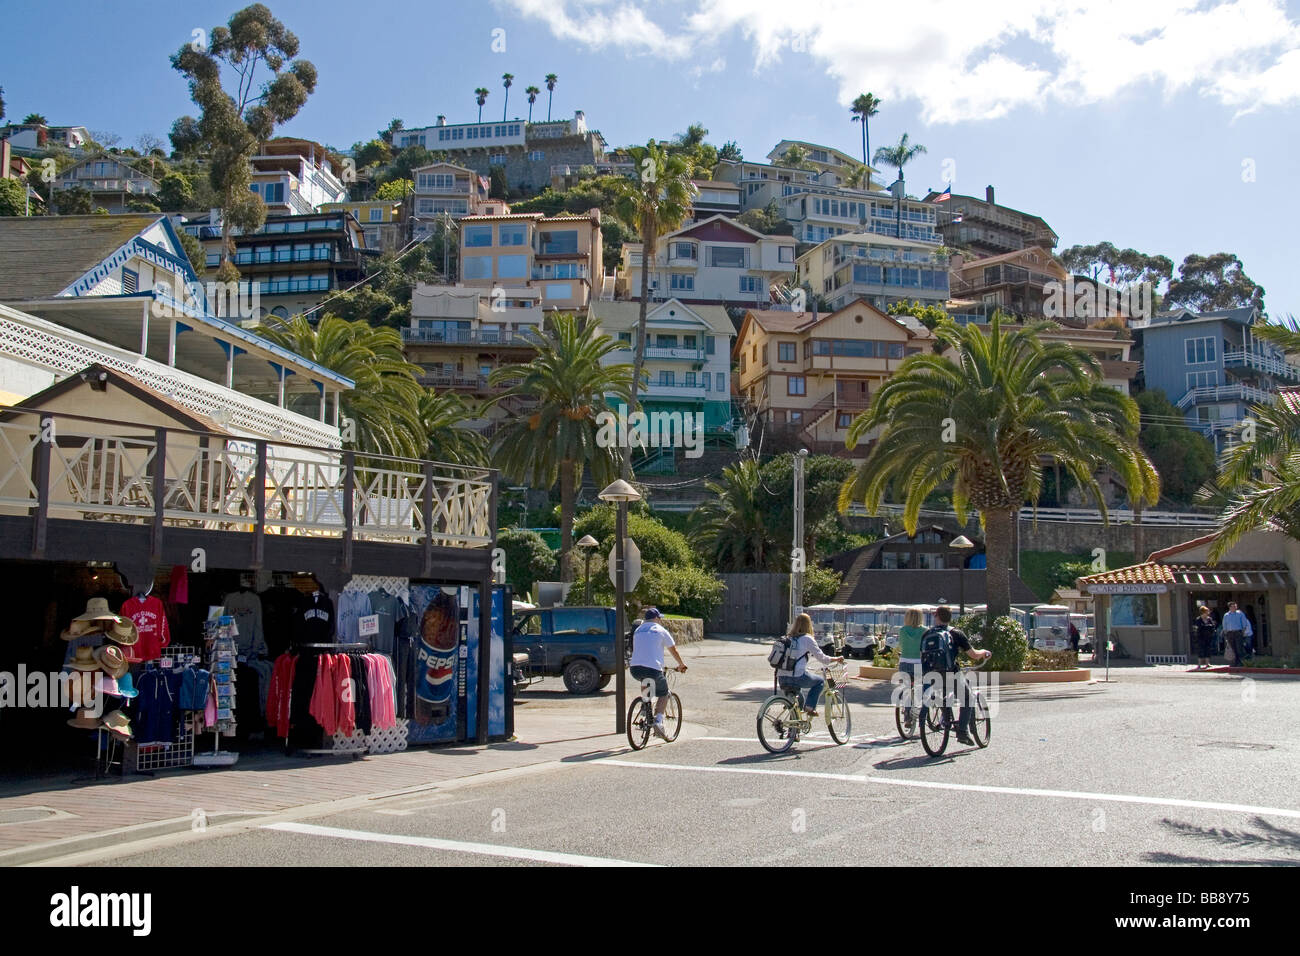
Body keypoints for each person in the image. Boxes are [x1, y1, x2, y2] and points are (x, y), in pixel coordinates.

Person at [923, 606, 991, 746]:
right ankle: (962, 732)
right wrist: (984, 652)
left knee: (942, 694)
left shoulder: (927, 634)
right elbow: (973, 654)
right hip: (951, 673)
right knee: (968, 697)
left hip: (931, 674)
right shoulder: (956, 633)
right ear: (950, 617)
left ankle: (945, 716)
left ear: (936, 616)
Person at [628, 608, 686, 738]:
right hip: (653, 668)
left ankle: (645, 705)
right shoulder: (660, 630)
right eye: (660, 618)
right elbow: (673, 650)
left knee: (645, 680)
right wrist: (681, 665)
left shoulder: (638, 630)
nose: (661, 620)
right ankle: (658, 721)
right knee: (663, 693)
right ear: (655, 618)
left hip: (635, 668)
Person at [776, 612, 842, 717]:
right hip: (797, 677)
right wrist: (836, 659)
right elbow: (823, 658)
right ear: (808, 625)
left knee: (798, 701)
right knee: (819, 682)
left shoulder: (787, 638)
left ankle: (793, 731)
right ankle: (810, 707)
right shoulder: (807, 639)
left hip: (781, 678)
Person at [896, 607, 927, 731]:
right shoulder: (925, 631)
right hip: (919, 663)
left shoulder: (902, 630)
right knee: (923, 687)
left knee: (907, 689)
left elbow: (901, 646)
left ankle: (907, 715)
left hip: (904, 662)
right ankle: (921, 711)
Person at [1191, 605, 1217, 669]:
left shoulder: (1209, 619)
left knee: (1208, 649)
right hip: (1200, 637)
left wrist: (1207, 627)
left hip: (1208, 637)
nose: (1208, 613)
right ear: (1203, 612)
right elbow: (1198, 628)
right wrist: (1206, 626)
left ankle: (1207, 663)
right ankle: (1199, 664)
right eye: (1207, 611)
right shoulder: (1198, 619)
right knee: (1200, 650)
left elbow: (1212, 626)